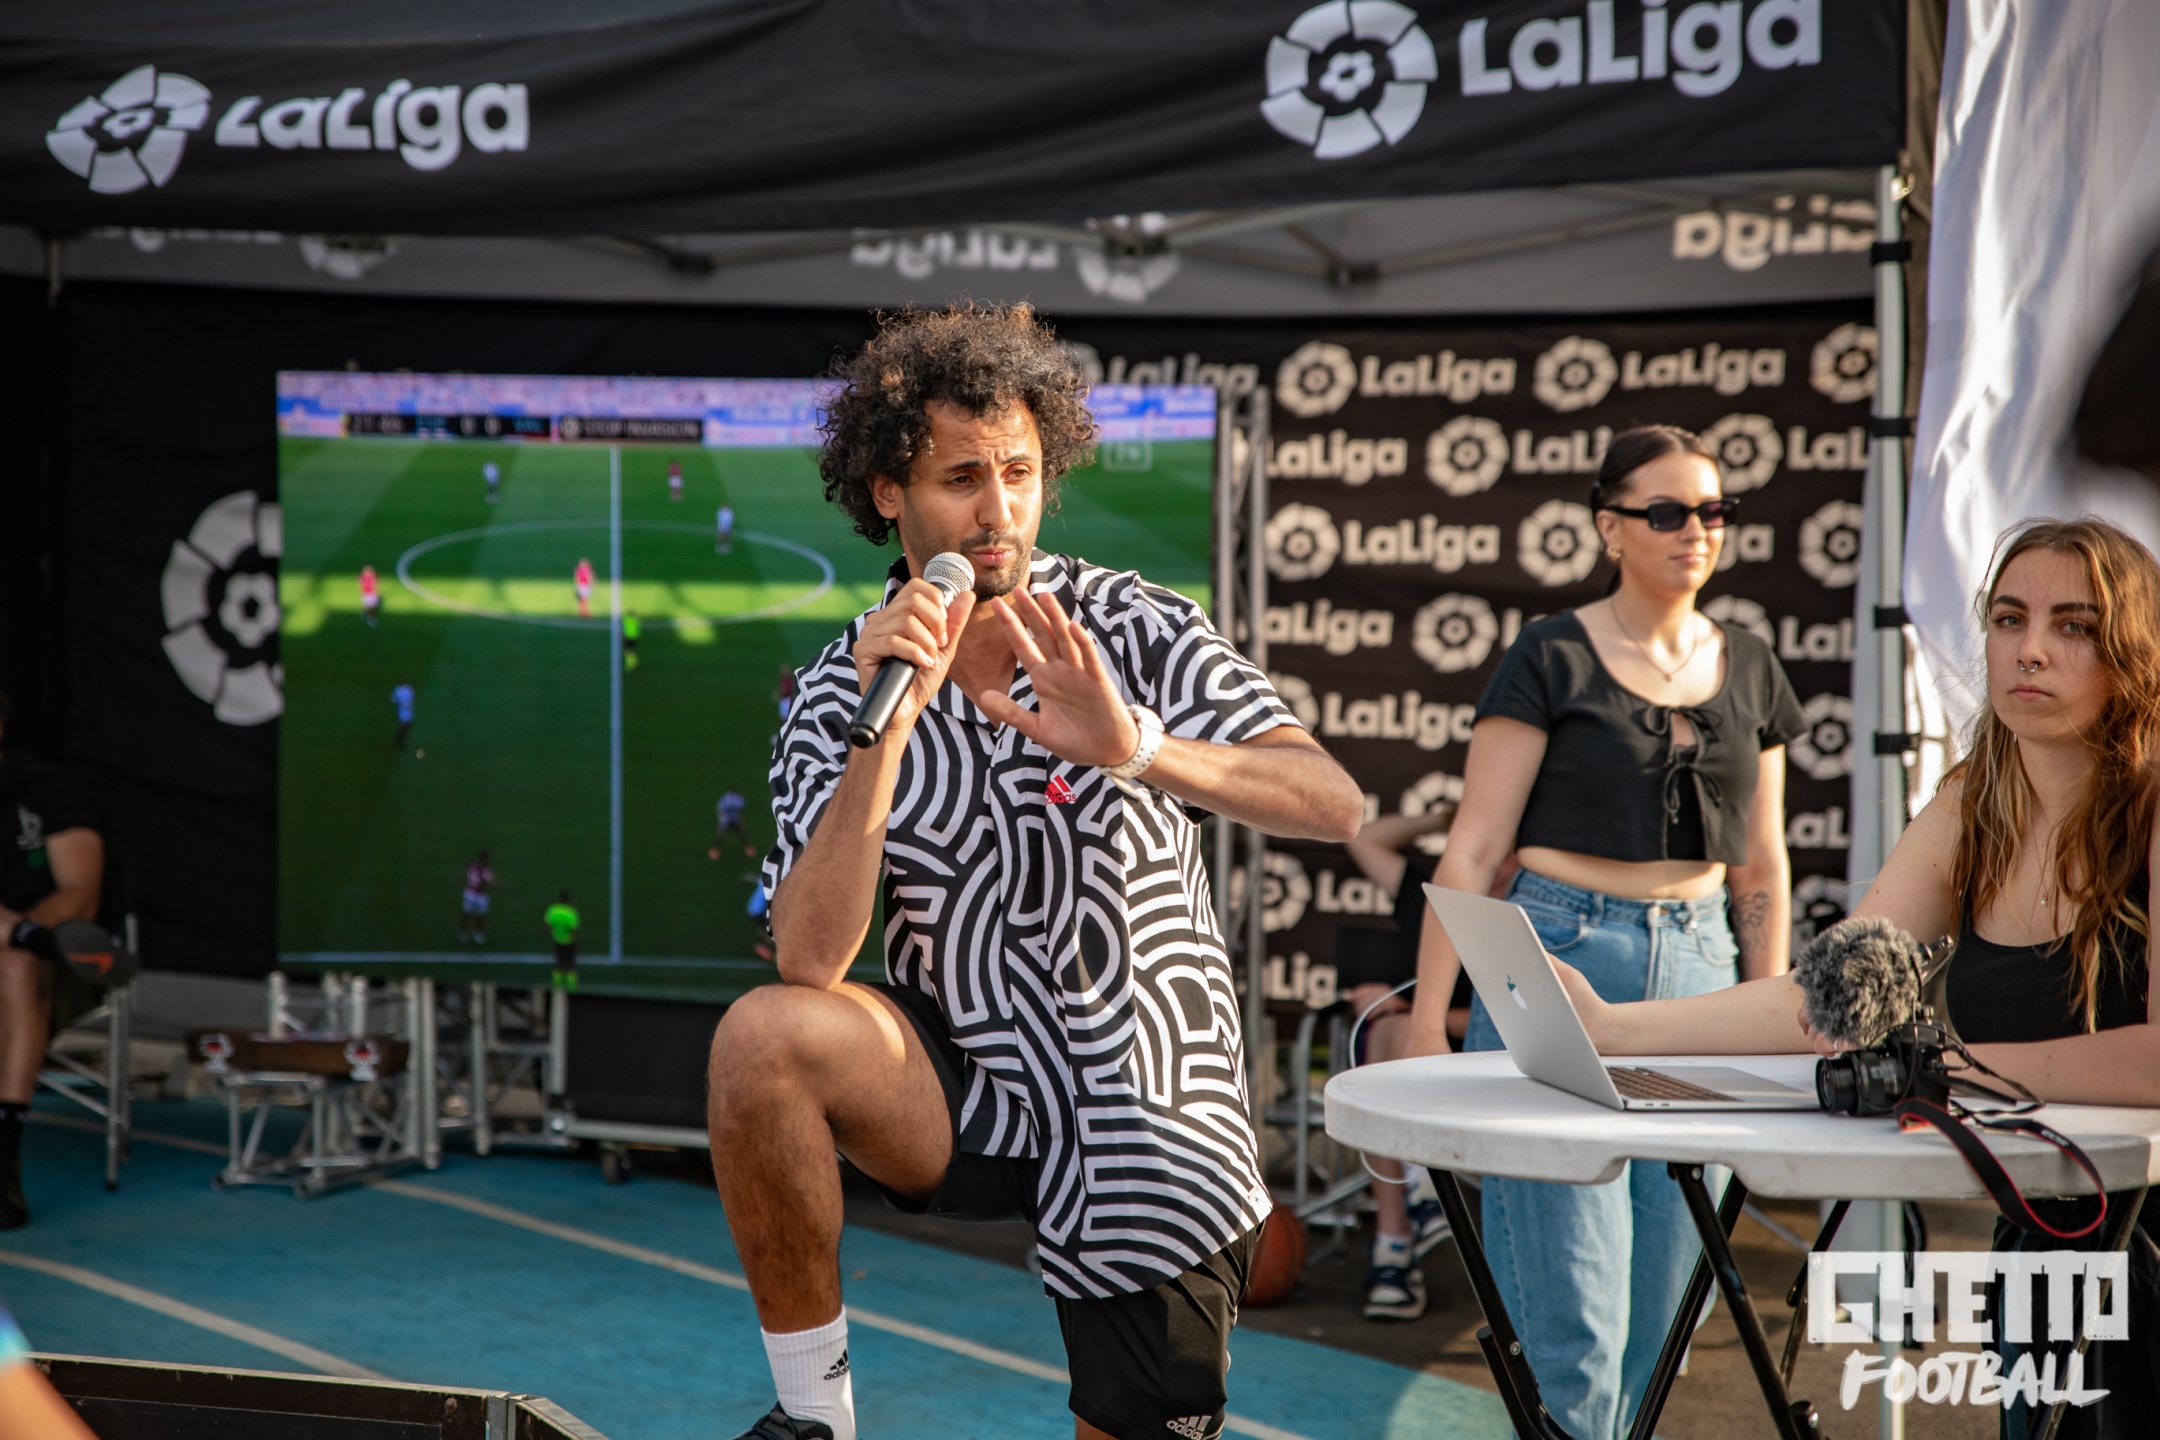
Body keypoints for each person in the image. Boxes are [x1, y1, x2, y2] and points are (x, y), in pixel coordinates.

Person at [706, 304, 1362, 1440]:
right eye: (962, 478)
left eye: (1018, 472)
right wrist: (884, 737)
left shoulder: (1133, 624)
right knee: (764, 1036)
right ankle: (815, 1416)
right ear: (888, 492)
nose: (998, 509)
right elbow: (809, 958)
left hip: (1141, 1093)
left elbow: (1330, 801)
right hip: (965, 1084)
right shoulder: (836, 688)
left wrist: (1137, 747)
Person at [1559, 517, 2160, 1440]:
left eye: (2073, 626)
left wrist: (1957, 1070)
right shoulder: (1974, 802)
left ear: (2135, 651)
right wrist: (1612, 1026)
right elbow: (1834, 994)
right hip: (2046, 1233)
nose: (2030, 649)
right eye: (2009, 619)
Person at [1406, 423, 1806, 1440]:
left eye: (1713, 511)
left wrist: (1771, 1012)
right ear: (1609, 527)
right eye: (1666, 512)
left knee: (1670, 1310)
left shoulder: (1753, 664)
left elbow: (1762, 865)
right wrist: (1424, 1018)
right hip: (1560, 957)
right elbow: (1473, 847)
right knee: (1571, 1311)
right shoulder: (1549, 652)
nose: (1695, 531)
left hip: (1707, 971)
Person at [1335, 804, 1493, 1321]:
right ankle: (1419, 1193)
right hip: (1407, 1049)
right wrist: (1441, 821)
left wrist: (1419, 1011)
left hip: (1486, 1055)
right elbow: (1364, 838)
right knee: (1388, 1033)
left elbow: (1523, 1016)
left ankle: (1394, 1245)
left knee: (1396, 1027)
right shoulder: (1430, 891)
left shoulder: (1534, 908)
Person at [0, 693, 104, 1229]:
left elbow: (80, 897)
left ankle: (3, 1159)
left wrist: (21, 934)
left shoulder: (47, 790)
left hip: (49, 967)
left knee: (16, 966)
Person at [459, 850, 496, 946]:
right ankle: (473, 933)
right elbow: (490, 882)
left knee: (475, 914)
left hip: (472, 893)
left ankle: (469, 933)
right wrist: (501, 887)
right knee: (473, 914)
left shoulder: (471, 865)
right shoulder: (485, 870)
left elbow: (466, 875)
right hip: (477, 895)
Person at [544, 891, 579, 991]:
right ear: (568, 900)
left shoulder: (553, 910)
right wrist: (576, 943)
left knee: (558, 966)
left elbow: (546, 926)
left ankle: (556, 988)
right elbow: (573, 929)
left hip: (557, 942)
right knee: (571, 967)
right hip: (569, 942)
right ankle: (572, 989)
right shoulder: (571, 912)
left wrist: (553, 934)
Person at [712, 790, 753, 859]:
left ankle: (746, 846)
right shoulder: (726, 799)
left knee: (742, 832)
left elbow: (742, 808)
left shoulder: (739, 799)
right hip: (726, 820)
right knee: (720, 834)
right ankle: (716, 848)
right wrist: (721, 817)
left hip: (735, 819)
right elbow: (719, 808)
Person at [390, 682, 416, 751]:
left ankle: (398, 737)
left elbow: (393, 699)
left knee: (407, 727)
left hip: (406, 712)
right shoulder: (407, 689)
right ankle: (401, 741)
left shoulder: (400, 690)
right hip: (402, 713)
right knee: (404, 727)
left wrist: (398, 704)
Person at [359, 564, 381, 628]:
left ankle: (369, 617)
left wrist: (377, 593)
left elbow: (375, 585)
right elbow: (361, 585)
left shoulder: (373, 577)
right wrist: (362, 593)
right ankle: (369, 618)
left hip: (372, 593)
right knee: (368, 607)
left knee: (372, 607)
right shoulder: (362, 578)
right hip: (366, 594)